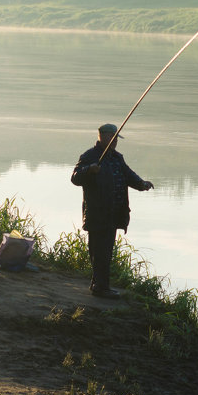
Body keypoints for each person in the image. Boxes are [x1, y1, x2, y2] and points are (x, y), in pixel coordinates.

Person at [71, 123, 153, 298]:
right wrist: (89, 170)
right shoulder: (89, 156)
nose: (115, 141)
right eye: (113, 137)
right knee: (99, 251)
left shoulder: (116, 158)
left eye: (117, 138)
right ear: (102, 136)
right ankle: (100, 287)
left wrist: (142, 184)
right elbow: (75, 178)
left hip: (114, 213)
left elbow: (128, 175)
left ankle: (99, 285)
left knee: (106, 251)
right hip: (97, 213)